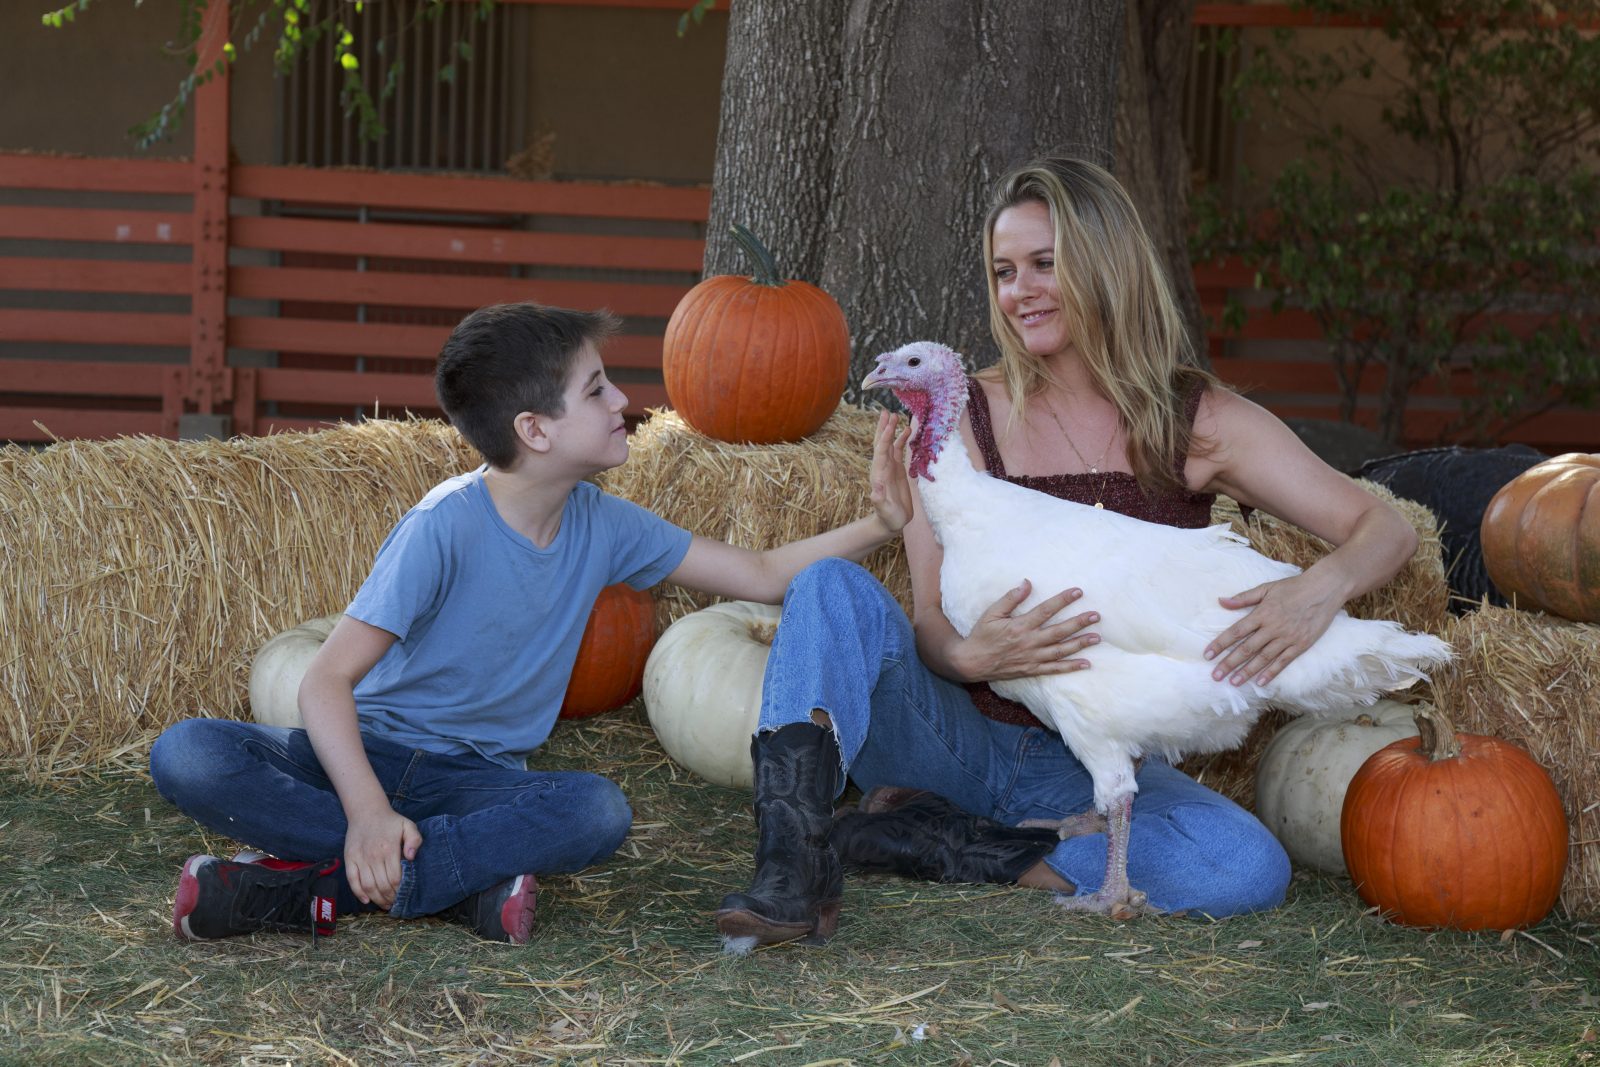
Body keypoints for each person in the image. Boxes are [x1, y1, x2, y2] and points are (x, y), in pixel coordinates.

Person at [715, 157, 1421, 948]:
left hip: (1090, 760)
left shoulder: (1198, 419)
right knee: (828, 590)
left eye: (1046, 263)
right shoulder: (958, 420)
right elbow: (925, 619)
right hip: (956, 734)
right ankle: (790, 870)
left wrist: (1314, 592)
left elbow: (1388, 529)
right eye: (1004, 271)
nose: (1021, 291)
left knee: (1242, 867)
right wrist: (972, 653)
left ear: (1106, 263)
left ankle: (960, 846)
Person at [149, 301, 913, 945]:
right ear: (535, 430)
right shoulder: (442, 525)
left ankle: (321, 890)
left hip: (478, 781)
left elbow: (763, 575)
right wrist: (370, 812)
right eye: (596, 389)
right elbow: (324, 682)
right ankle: (451, 885)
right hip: (367, 757)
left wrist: (880, 521)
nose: (623, 403)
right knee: (189, 753)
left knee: (595, 811)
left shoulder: (604, 524)